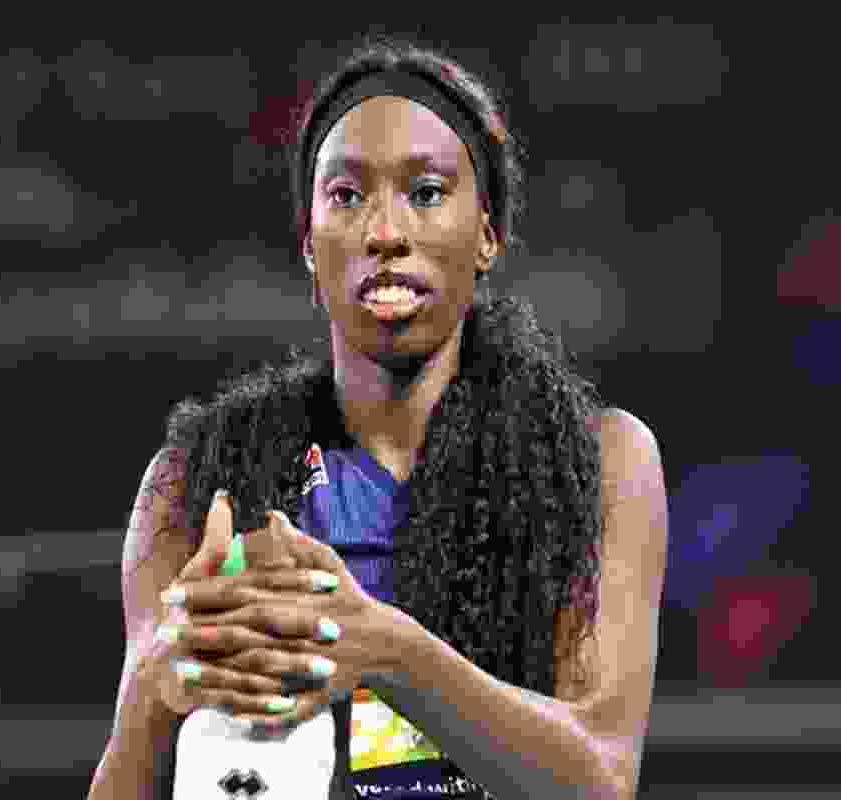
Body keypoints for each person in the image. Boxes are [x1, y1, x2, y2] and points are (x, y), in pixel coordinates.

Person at [88, 34, 668, 800]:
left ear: (487, 234)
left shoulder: (599, 460)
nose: (385, 233)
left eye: (425, 193)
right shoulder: (199, 479)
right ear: (309, 244)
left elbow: (603, 780)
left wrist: (388, 652)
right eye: (346, 195)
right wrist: (157, 687)